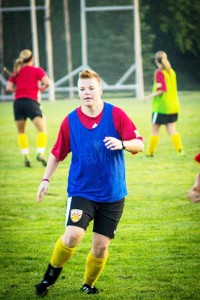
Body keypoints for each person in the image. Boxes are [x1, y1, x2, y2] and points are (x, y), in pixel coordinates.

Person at [35, 69, 144, 296]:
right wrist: (45, 179)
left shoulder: (116, 115)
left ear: (100, 90)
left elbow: (139, 144)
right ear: (78, 92)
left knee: (101, 247)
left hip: (113, 194)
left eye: (91, 88)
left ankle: (88, 284)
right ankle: (47, 279)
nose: (87, 93)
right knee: (73, 235)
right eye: (82, 89)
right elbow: (57, 152)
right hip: (81, 190)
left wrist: (122, 143)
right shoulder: (70, 121)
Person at [6, 49, 50, 167]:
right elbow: (47, 82)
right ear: (32, 59)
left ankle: (26, 157)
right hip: (31, 102)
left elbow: (8, 88)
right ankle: (40, 153)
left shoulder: (16, 72)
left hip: (18, 103)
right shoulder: (37, 70)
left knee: (21, 132)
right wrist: (41, 88)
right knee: (42, 130)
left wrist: (19, 89)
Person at [144, 50, 185, 157]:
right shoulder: (171, 71)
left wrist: (149, 96)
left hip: (162, 107)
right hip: (173, 106)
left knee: (154, 130)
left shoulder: (159, 72)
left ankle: (149, 153)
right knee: (171, 129)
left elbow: (162, 89)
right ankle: (180, 151)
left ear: (156, 61)